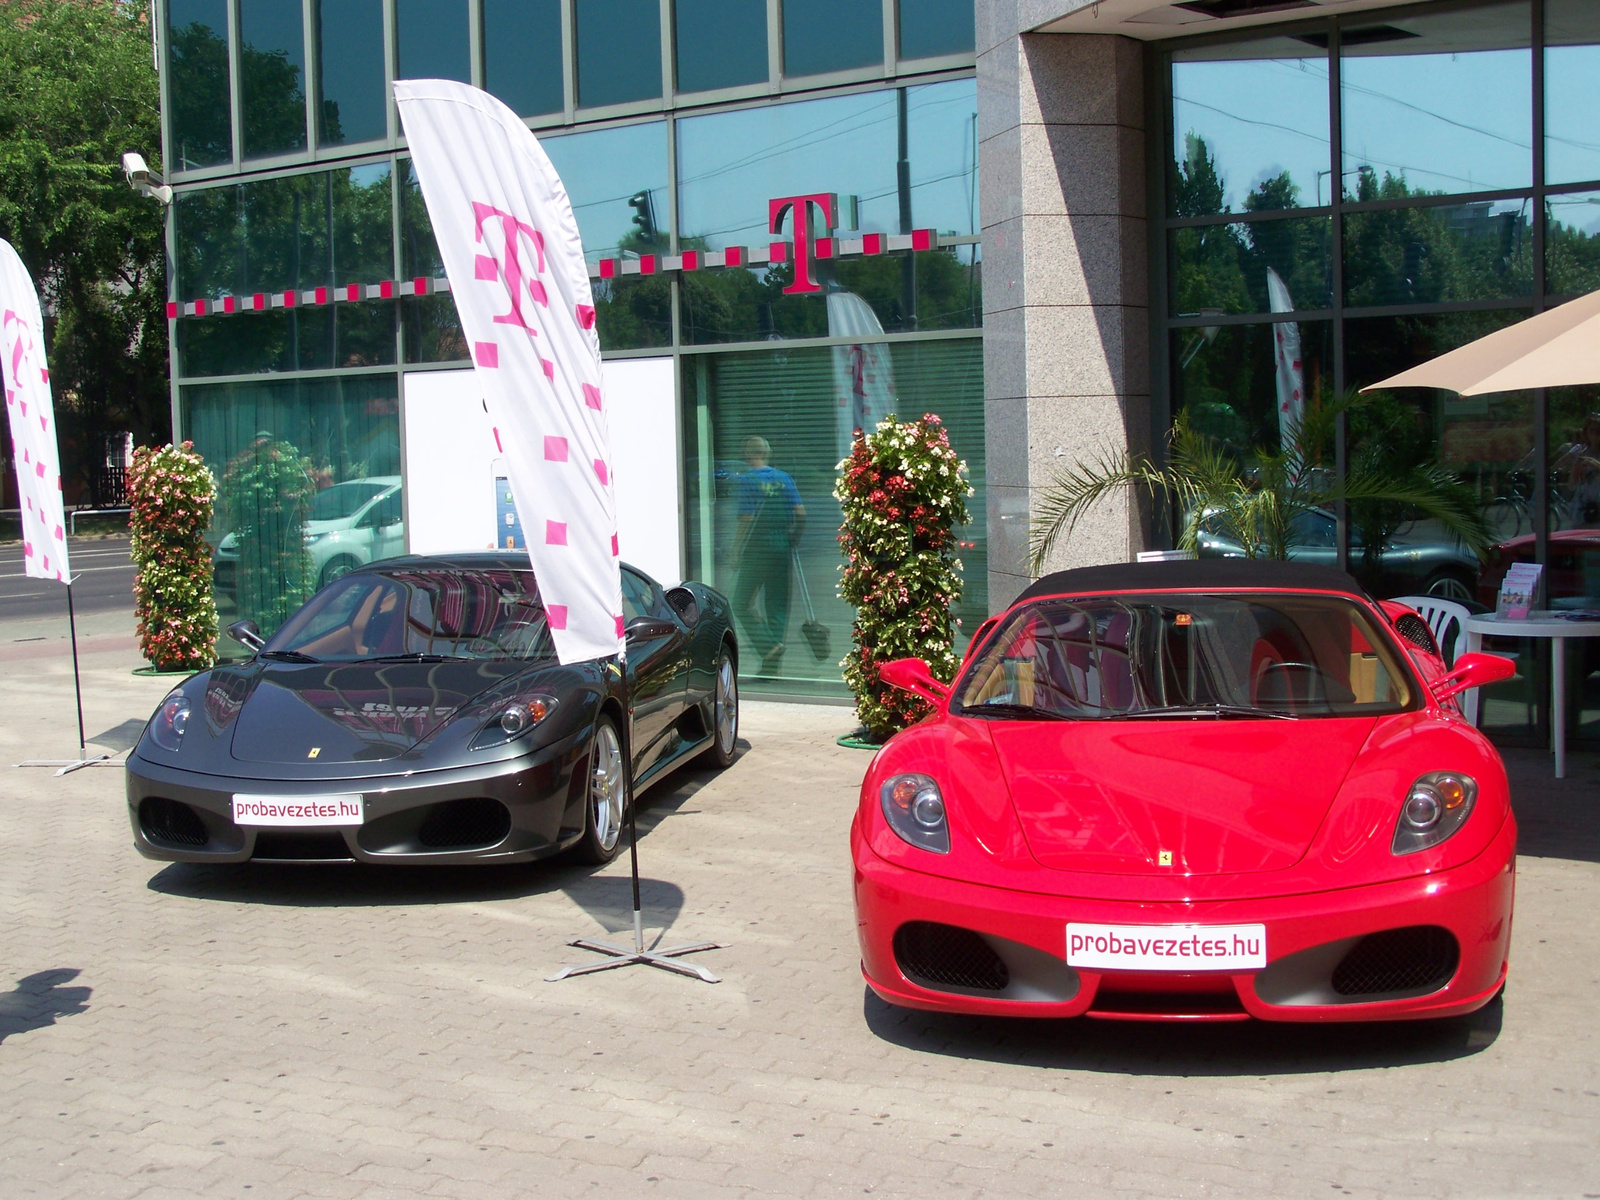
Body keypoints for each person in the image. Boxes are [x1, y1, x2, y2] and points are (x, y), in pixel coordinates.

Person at [731, 436, 805, 675]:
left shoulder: (747, 480)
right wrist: (794, 536)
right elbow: (801, 513)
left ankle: (768, 646)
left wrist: (735, 552)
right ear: (767, 453)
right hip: (781, 547)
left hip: (756, 548)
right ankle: (771, 669)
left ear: (746, 454)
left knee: (740, 603)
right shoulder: (784, 478)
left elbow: (746, 518)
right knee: (776, 606)